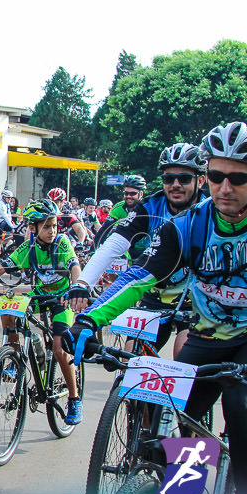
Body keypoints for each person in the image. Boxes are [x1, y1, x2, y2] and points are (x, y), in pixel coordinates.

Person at [65, 122, 247, 494]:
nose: (225, 188)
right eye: (217, 176)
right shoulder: (189, 225)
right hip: (207, 337)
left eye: (238, 178)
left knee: (238, 409)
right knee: (169, 417)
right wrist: (90, 319)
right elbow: (140, 277)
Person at [68, 143, 209, 357]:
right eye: (169, 179)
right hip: (153, 292)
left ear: (201, 180)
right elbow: (113, 245)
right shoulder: (150, 207)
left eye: (184, 178)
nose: (175, 185)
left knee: (185, 355)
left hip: (194, 300)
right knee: (130, 356)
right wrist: (82, 283)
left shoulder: (210, 212)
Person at [0, 198, 84, 424]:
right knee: (7, 307)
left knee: (60, 350)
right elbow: (3, 265)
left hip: (62, 299)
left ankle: (74, 398)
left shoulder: (61, 244)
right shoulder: (28, 247)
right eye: (46, 226)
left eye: (54, 225)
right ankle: (13, 356)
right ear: (33, 228)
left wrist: (77, 287)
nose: (52, 231)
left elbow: (74, 266)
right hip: (40, 295)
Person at [0, 189, 16, 258]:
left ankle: (4, 243)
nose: (10, 200)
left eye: (10, 198)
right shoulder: (0, 205)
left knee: (14, 233)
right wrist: (12, 226)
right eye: (8, 198)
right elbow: (5, 216)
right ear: (4, 197)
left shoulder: (6, 204)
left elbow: (9, 215)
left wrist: (12, 225)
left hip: (3, 222)